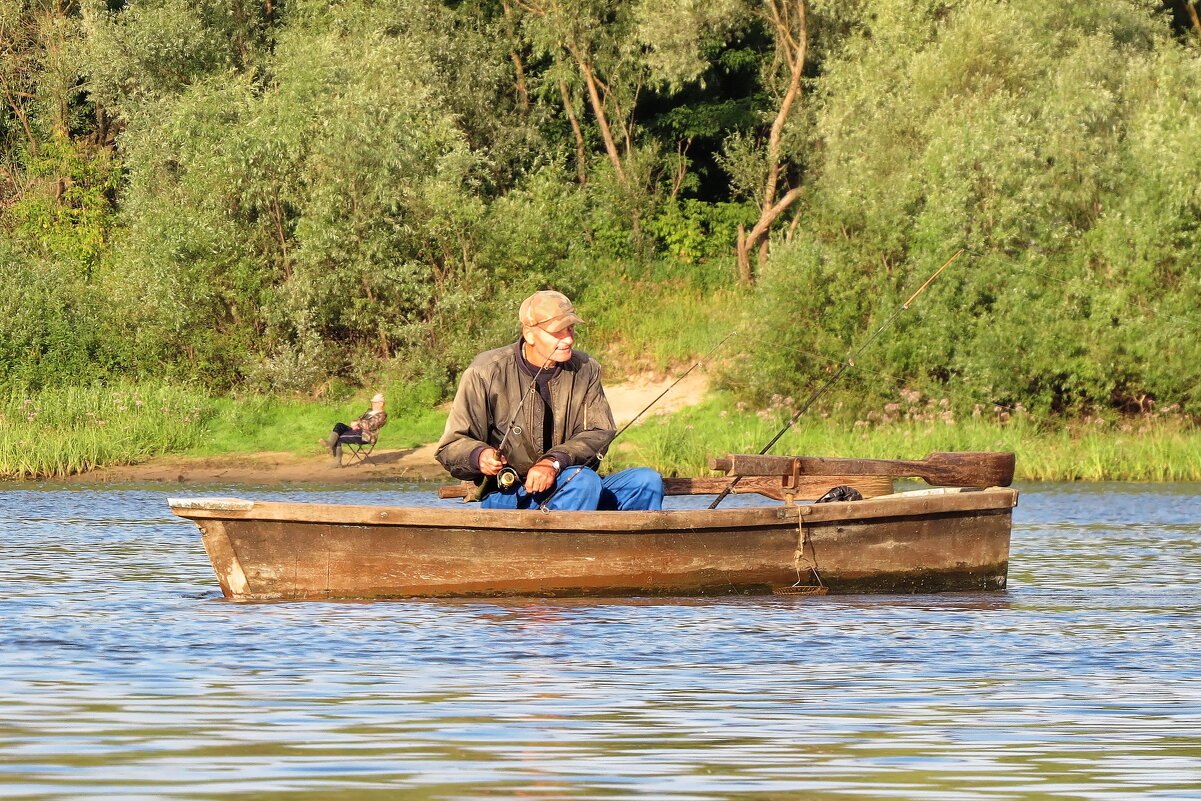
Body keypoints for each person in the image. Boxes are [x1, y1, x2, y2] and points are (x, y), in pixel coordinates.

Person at [436, 290, 663, 511]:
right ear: (530, 334)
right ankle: (563, 548)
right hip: (508, 494)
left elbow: (598, 432)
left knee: (647, 481)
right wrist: (479, 456)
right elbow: (451, 445)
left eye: (571, 329)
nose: (569, 339)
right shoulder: (485, 371)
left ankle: (626, 548)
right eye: (558, 333)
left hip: (571, 481)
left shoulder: (586, 368)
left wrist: (553, 462)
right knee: (584, 481)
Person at [321, 393, 387, 462]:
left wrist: (358, 423)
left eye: (375, 402)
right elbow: (358, 419)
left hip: (365, 435)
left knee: (338, 438)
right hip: (356, 430)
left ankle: (337, 461)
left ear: (381, 404)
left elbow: (371, 425)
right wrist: (354, 423)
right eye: (372, 402)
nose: (373, 404)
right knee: (339, 425)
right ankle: (330, 443)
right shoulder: (369, 411)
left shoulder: (381, 415)